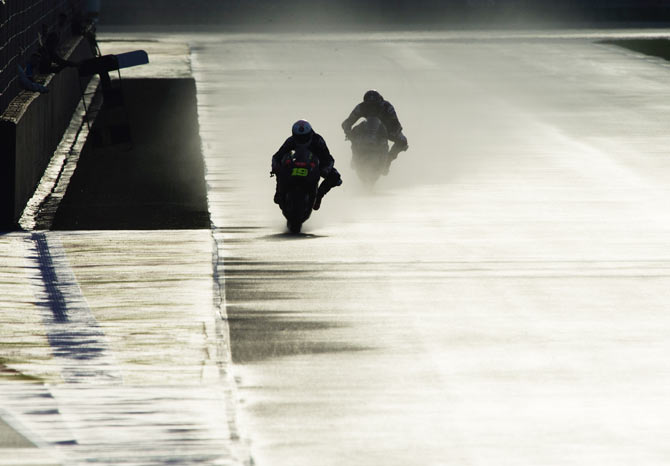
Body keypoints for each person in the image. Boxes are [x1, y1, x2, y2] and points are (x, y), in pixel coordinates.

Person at [271, 120, 342, 210]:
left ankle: (319, 196)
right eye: (299, 137)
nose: (301, 140)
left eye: (304, 137)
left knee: (336, 177)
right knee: (280, 168)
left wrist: (325, 169)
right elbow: (276, 157)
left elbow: (328, 159)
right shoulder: (290, 141)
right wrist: (275, 167)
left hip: (314, 165)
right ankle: (279, 191)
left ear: (309, 134)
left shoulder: (318, 140)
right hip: (294, 163)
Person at [341, 90, 408, 173]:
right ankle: (355, 158)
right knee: (353, 135)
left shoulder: (387, 107)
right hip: (367, 127)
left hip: (385, 128)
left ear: (380, 103)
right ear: (365, 103)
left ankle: (388, 161)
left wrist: (394, 131)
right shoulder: (361, 107)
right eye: (369, 106)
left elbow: (395, 122)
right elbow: (348, 121)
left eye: (374, 106)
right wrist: (348, 131)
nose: (372, 108)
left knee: (403, 141)